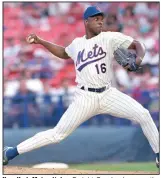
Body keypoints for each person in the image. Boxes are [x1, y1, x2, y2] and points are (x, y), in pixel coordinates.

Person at [3, 6, 159, 168]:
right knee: (57, 135)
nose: (100, 21)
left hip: (108, 94)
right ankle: (11, 152)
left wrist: (138, 60)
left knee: (144, 114)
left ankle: (159, 155)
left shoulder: (109, 38)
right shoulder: (77, 44)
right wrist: (41, 41)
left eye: (101, 19)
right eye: (96, 19)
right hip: (85, 98)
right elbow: (64, 53)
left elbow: (138, 44)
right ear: (86, 21)